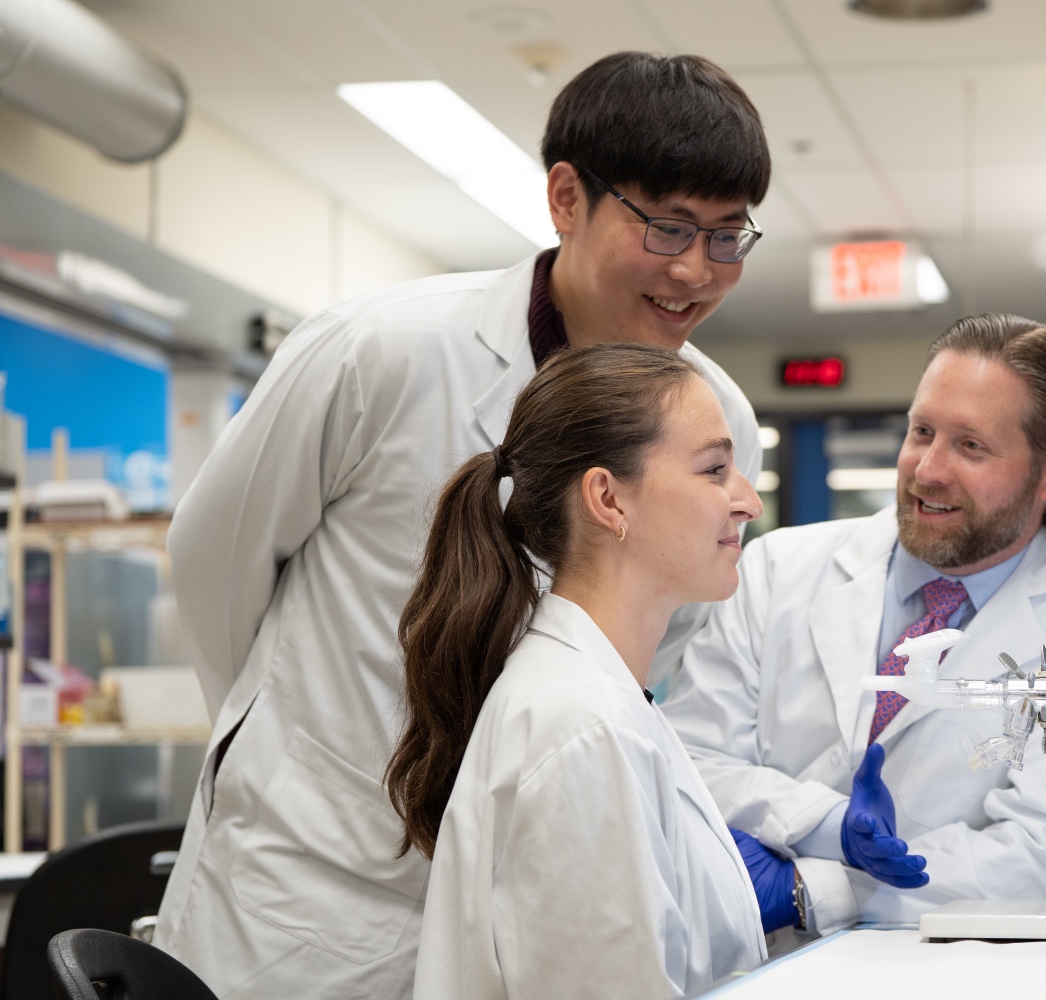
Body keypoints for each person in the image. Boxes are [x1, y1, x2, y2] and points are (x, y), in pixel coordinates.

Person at [156, 52, 771, 998]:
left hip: (522, 893)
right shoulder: (378, 351)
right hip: (311, 890)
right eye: (667, 226)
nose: (696, 270)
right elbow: (212, 564)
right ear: (568, 197)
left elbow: (649, 652)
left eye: (728, 236)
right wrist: (285, 761)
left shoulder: (713, 420)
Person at [662, 313, 1046, 934]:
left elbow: (1038, 857)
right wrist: (826, 821)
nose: (928, 470)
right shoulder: (778, 568)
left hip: (942, 972)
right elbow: (689, 765)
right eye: (922, 431)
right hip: (746, 952)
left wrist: (812, 887)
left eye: (971, 446)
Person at [392, 345, 766, 999]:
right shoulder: (584, 724)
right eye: (715, 470)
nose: (748, 502)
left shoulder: (600, 700)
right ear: (608, 499)